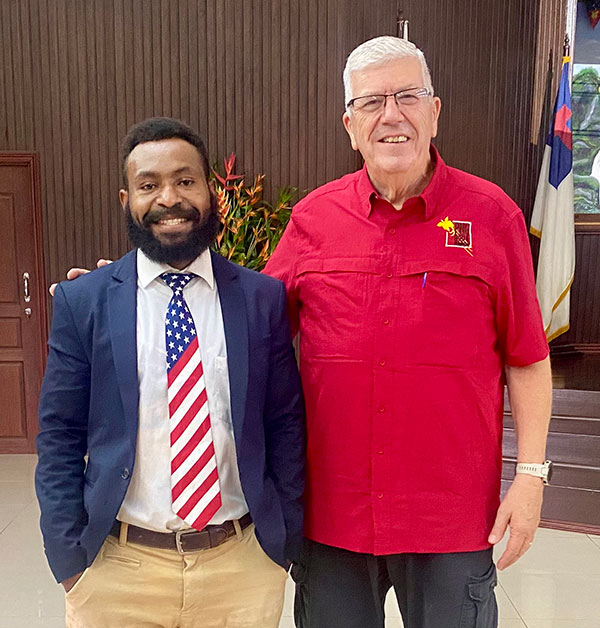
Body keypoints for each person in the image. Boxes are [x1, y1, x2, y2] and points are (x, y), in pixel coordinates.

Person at [263, 36, 552, 628]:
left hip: (450, 517)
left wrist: (530, 477)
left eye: (408, 96)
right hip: (333, 515)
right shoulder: (313, 219)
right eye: (371, 102)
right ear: (350, 126)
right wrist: (140, 294)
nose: (391, 115)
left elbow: (526, 356)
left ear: (434, 112)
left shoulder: (491, 217)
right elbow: (250, 328)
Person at [36, 117, 305, 628]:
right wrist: (69, 559)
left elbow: (284, 423)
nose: (169, 198)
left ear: (211, 192)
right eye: (149, 185)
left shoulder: (261, 299)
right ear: (126, 200)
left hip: (240, 568)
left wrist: (283, 541)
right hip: (117, 571)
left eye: (185, 180)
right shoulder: (84, 301)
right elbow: (59, 434)